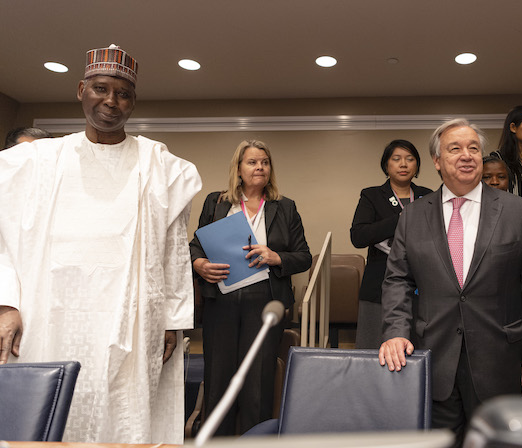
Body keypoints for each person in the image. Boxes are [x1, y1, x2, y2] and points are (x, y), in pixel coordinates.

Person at [0, 44, 201, 443]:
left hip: (134, 316)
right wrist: (7, 302)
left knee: (124, 414)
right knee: (52, 415)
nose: (111, 101)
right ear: (81, 90)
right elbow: (3, 234)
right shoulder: (39, 161)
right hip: (50, 316)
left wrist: (172, 320)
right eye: (101, 89)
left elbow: (174, 252)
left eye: (123, 93)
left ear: (133, 102)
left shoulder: (160, 165)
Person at [379, 118, 522, 445]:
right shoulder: (413, 216)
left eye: (474, 148)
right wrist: (395, 331)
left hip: (501, 360)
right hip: (435, 356)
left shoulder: (516, 211)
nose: (467, 155)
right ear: (437, 161)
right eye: (455, 148)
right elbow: (397, 279)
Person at [190, 140, 312, 435]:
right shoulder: (216, 202)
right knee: (219, 377)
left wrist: (276, 256)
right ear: (239, 169)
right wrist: (199, 265)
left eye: (265, 162)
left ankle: (253, 440)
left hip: (264, 301)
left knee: (258, 380)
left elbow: (304, 256)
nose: (259, 167)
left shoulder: (285, 207)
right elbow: (195, 246)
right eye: (252, 162)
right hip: (221, 300)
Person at [350, 140, 432, 349]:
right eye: (396, 159)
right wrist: (402, 218)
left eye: (410, 159)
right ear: (386, 166)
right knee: (374, 350)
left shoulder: (428, 196)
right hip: (379, 285)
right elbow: (358, 237)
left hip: (423, 285)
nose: (403, 164)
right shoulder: (372, 195)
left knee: (417, 351)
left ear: (417, 166)